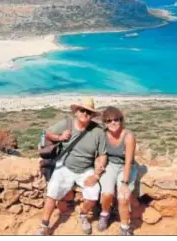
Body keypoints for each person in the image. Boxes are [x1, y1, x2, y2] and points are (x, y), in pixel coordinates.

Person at [36, 97, 107, 235]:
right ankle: (44, 224)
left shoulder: (98, 131)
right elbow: (46, 133)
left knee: (93, 194)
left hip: (86, 169)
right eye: (82, 110)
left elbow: (102, 154)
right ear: (76, 112)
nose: (85, 114)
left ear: (92, 115)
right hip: (65, 166)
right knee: (52, 192)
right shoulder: (66, 124)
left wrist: (96, 174)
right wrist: (60, 138)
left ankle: (83, 214)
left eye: (89, 112)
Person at [97, 106, 138, 235]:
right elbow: (99, 153)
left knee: (123, 197)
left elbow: (128, 162)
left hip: (125, 166)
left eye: (116, 119)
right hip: (110, 165)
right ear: (104, 122)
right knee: (107, 193)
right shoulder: (103, 135)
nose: (113, 123)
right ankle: (105, 214)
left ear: (121, 120)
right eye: (109, 121)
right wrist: (98, 164)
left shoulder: (128, 136)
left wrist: (125, 183)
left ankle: (125, 228)